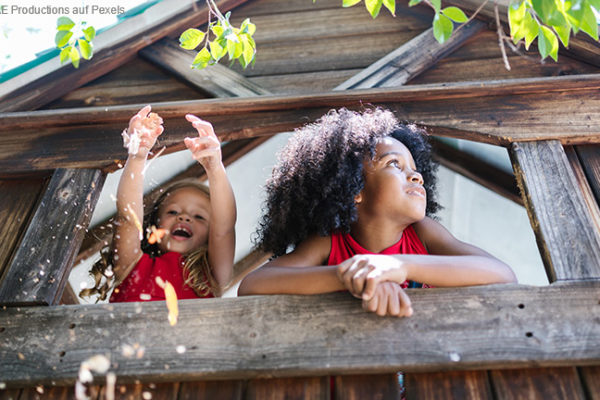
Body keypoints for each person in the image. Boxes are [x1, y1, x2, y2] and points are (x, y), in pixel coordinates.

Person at [238, 108, 516, 316]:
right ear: (354, 189)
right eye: (394, 164)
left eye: (415, 170)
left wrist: (398, 267)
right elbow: (253, 284)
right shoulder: (330, 243)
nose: (416, 177)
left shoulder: (423, 233)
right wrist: (351, 276)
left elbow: (502, 274)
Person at [81, 105, 236, 302]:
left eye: (199, 217)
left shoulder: (211, 277)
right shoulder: (134, 266)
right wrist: (137, 156)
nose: (184, 217)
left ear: (211, 235)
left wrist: (215, 167)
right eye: (172, 212)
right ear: (154, 224)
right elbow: (129, 218)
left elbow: (225, 228)